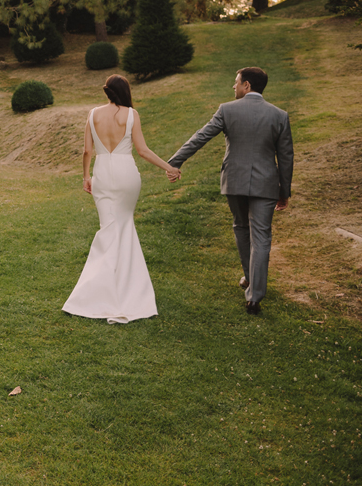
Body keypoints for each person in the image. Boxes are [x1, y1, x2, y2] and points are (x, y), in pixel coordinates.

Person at [167, 67, 293, 315]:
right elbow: (286, 156)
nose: (233, 87)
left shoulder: (227, 109)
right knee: (262, 236)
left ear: (246, 85)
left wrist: (174, 161)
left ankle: (250, 279)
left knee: (241, 228)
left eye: (235, 83)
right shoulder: (280, 115)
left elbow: (200, 137)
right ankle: (255, 296)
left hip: (234, 181)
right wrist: (284, 191)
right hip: (266, 184)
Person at [63, 75, 181, 324]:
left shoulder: (92, 114)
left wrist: (86, 176)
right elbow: (143, 150)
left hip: (102, 175)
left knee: (109, 228)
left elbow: (87, 151)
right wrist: (168, 167)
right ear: (124, 91)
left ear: (107, 92)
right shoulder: (131, 114)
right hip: (127, 175)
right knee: (124, 226)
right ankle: (125, 286)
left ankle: (100, 289)